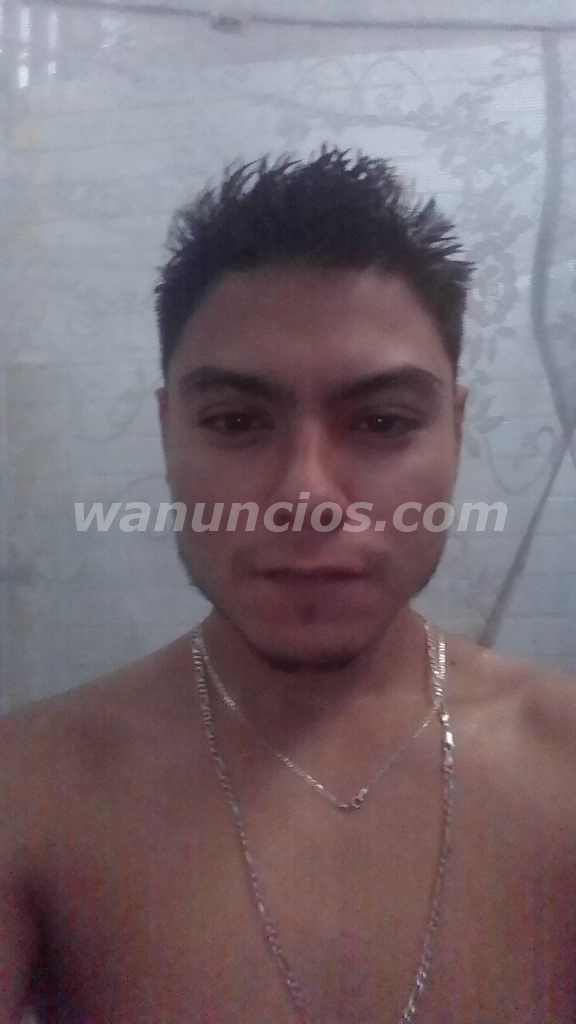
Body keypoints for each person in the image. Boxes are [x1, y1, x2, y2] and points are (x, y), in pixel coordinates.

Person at [1, 146, 575, 1024]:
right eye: (236, 420)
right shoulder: (32, 787)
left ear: (456, 431)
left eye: (382, 420)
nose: (306, 496)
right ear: (168, 429)